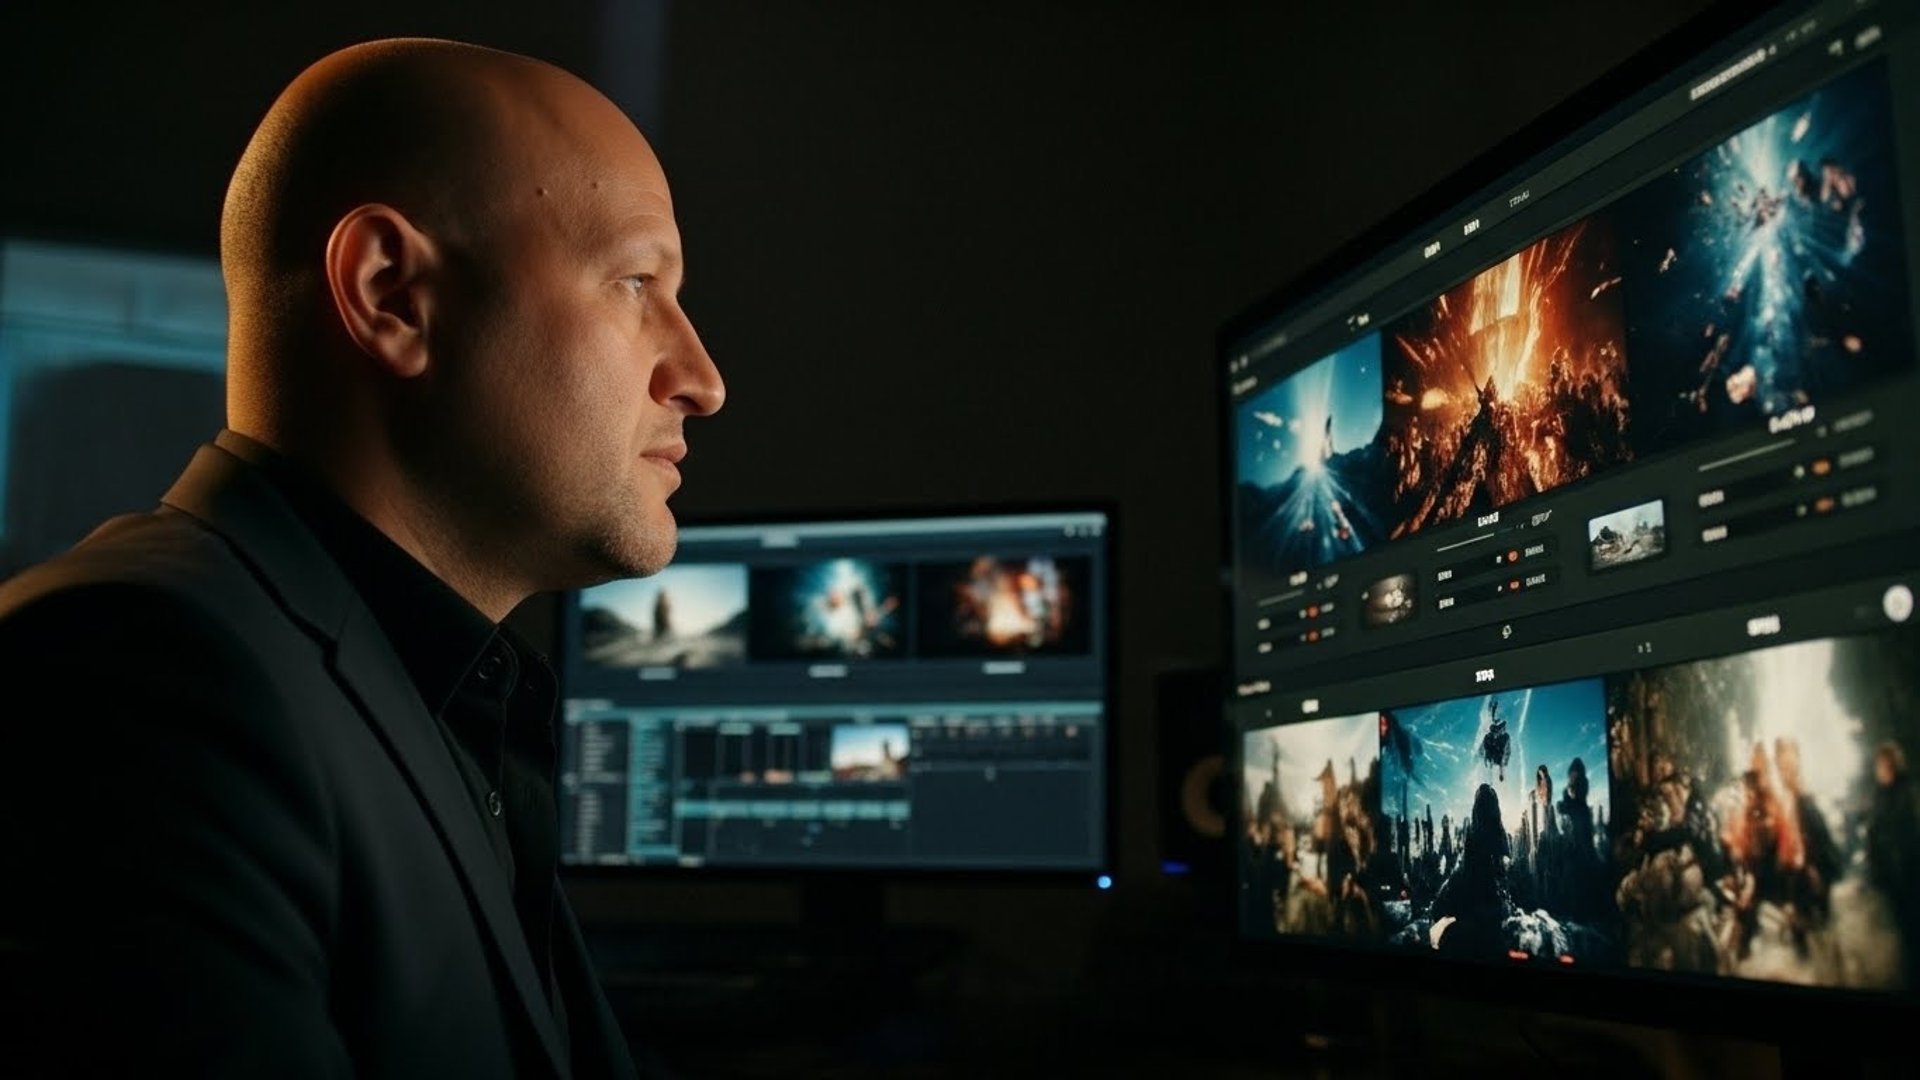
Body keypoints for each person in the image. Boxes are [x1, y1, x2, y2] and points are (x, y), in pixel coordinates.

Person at [0, 37, 724, 1078]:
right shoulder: (133, 677)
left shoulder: (421, 700)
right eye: (636, 281)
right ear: (390, 293)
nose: (701, 377)